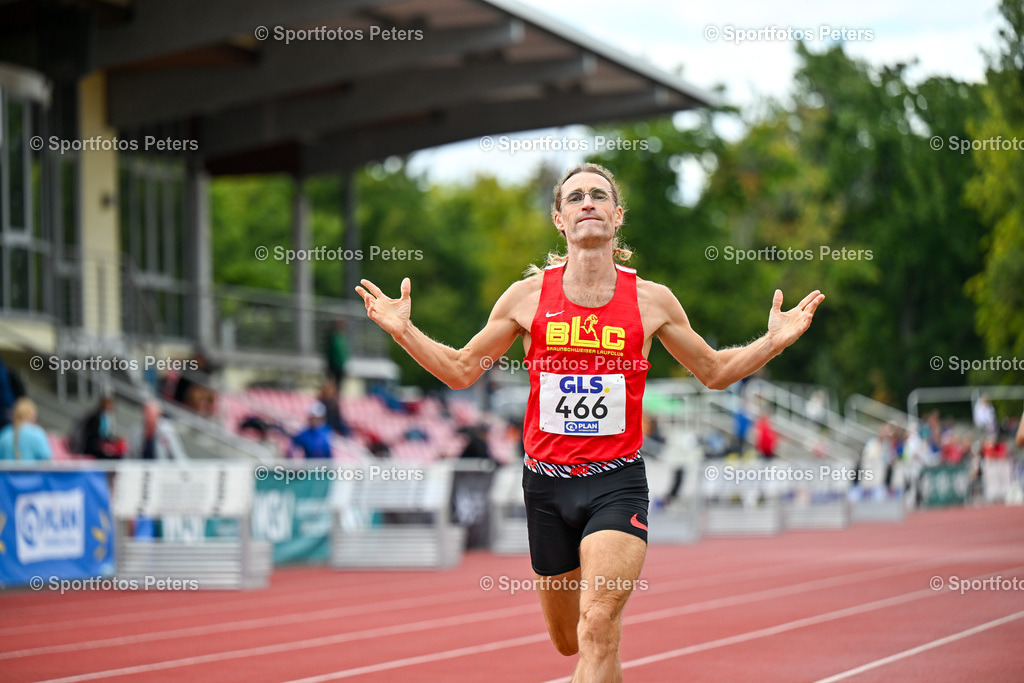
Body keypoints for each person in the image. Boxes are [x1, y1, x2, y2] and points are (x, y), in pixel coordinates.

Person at [355, 163, 824, 680]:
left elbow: (713, 371)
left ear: (617, 215)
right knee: (567, 641)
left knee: (597, 623)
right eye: (574, 197)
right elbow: (463, 370)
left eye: (599, 195)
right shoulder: (526, 298)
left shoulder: (652, 301)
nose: (587, 203)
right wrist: (404, 331)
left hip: (616, 484)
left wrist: (773, 342)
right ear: (560, 219)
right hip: (546, 486)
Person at [326, 318, 350, 391]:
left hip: (340, 365)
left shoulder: (342, 337)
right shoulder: (333, 337)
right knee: (332, 383)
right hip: (333, 365)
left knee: (339, 384)